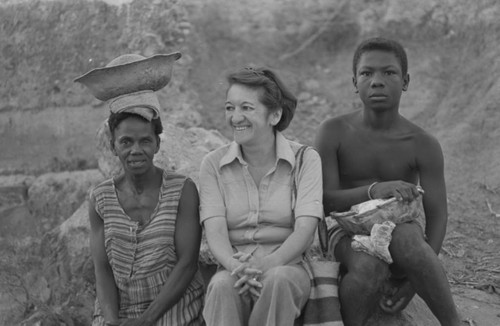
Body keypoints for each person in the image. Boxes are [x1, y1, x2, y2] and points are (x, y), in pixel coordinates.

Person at [315, 37, 460, 326]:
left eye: (389, 73)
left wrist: (413, 283)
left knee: (406, 236)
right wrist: (374, 190)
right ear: (354, 82)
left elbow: (437, 214)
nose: (377, 81)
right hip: (344, 232)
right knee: (369, 264)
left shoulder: (422, 143)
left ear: (405, 81)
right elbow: (325, 199)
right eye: (367, 73)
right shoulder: (333, 132)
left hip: (399, 233)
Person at [76, 53, 204, 326]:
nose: (136, 150)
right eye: (126, 142)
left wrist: (145, 322)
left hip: (175, 313)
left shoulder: (183, 190)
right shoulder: (100, 199)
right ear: (113, 146)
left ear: (157, 144)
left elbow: (187, 266)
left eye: (145, 141)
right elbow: (103, 271)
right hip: (118, 315)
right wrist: (112, 322)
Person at [198, 67, 323, 326]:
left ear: (274, 115)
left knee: (277, 281)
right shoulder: (212, 164)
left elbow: (305, 230)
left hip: (287, 267)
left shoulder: (305, 160)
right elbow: (216, 232)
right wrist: (236, 266)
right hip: (235, 269)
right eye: (229, 108)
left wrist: (268, 264)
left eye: (246, 108)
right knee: (221, 285)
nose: (235, 117)